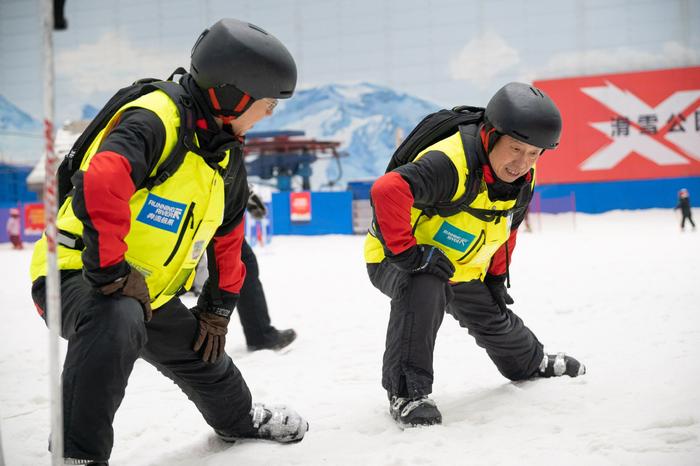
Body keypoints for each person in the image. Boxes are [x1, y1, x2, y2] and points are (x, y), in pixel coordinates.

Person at [29, 18, 307, 465]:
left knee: (202, 348)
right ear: (234, 95)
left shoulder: (225, 153)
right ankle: (76, 454)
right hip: (76, 274)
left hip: (145, 292)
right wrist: (111, 272)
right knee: (117, 316)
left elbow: (229, 239)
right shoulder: (156, 118)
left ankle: (239, 418)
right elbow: (102, 180)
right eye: (268, 103)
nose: (271, 113)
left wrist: (217, 309)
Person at [364, 82, 586, 429]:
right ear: (491, 135)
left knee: (492, 313)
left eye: (534, 154)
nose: (522, 163)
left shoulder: (522, 174)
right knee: (422, 286)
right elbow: (387, 189)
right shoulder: (450, 163)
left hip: (459, 262)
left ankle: (530, 362)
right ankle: (408, 393)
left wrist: (496, 276)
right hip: (397, 257)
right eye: (515, 149)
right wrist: (407, 254)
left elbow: (506, 228)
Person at [193, 189, 297, 351]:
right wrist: (246, 193)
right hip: (208, 204)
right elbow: (223, 167)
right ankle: (260, 336)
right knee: (240, 264)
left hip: (194, 202)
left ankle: (149, 336)